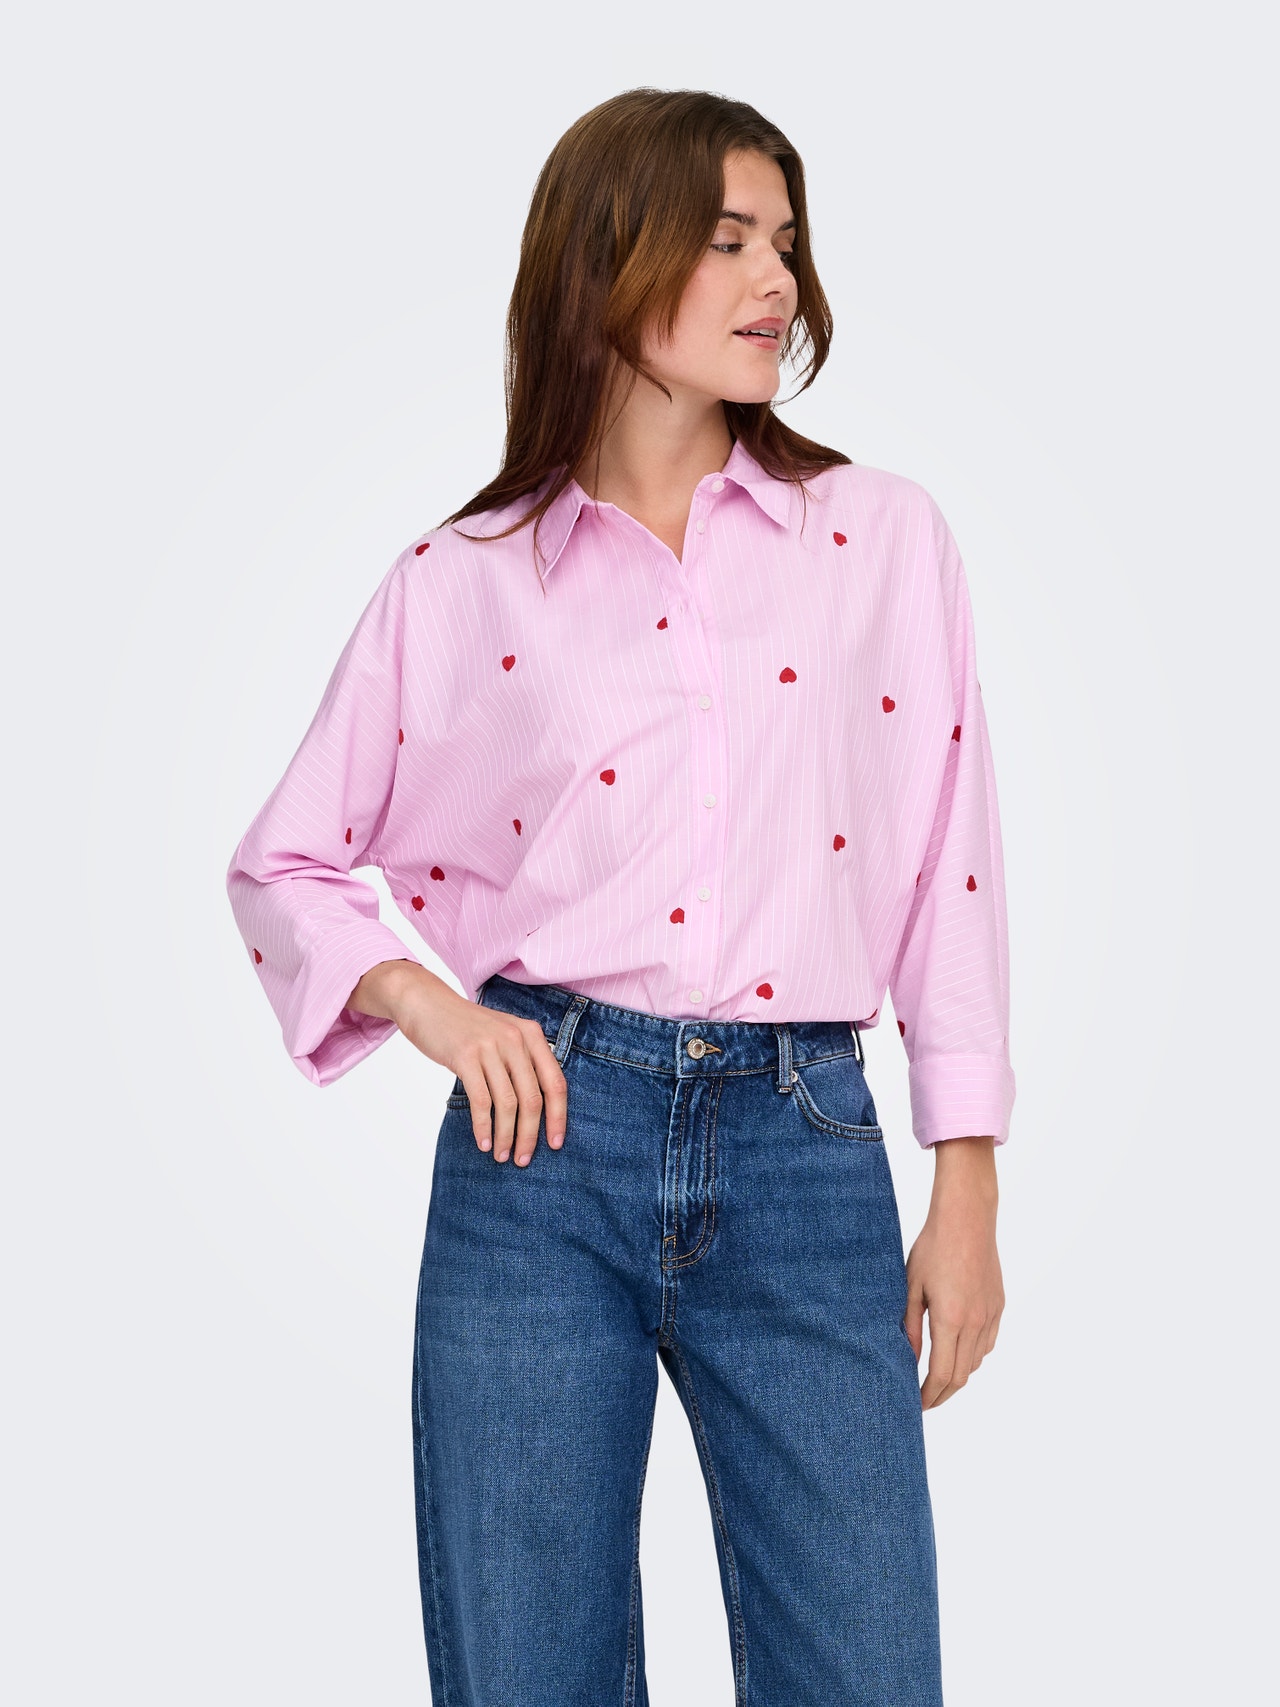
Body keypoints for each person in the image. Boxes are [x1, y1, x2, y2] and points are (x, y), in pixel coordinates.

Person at [227, 86, 1015, 1707]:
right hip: (542, 1145)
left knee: (867, 1670)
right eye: (727, 240)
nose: (776, 279)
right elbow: (285, 859)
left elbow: (952, 857)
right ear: (608, 262)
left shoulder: (879, 539)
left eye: (785, 241)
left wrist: (968, 1183)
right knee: (529, 1675)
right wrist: (433, 1007)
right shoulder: (465, 580)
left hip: (805, 1145)